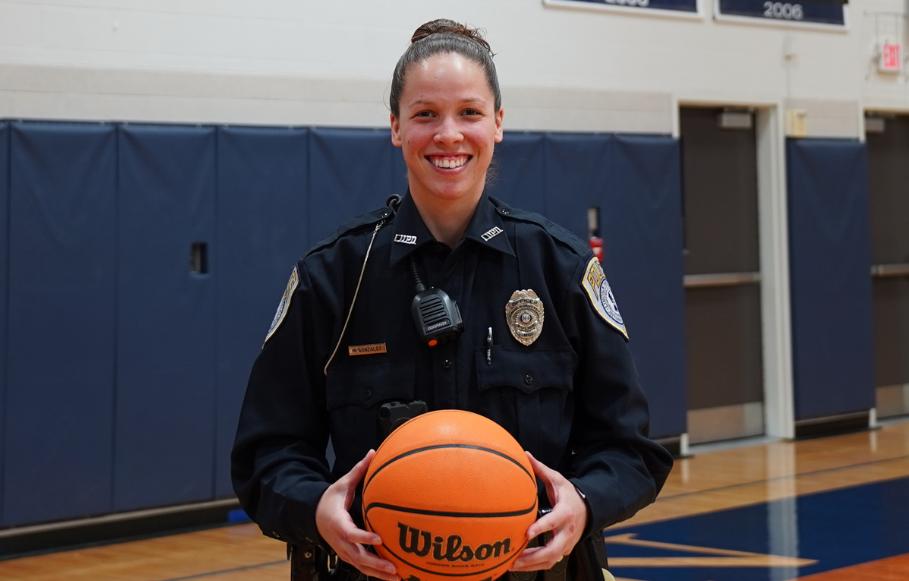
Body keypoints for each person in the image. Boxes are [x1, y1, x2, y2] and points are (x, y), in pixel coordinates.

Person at [230, 18, 673, 581]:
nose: (448, 135)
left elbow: (632, 452)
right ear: (395, 127)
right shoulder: (335, 275)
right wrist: (317, 510)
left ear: (498, 124)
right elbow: (266, 453)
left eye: (469, 112)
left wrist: (583, 502)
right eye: (424, 115)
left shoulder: (560, 269)